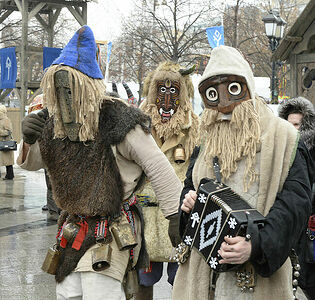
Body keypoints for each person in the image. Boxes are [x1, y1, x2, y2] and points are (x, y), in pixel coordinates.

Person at [17, 25, 182, 300]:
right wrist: (29, 139)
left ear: (87, 85)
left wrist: (176, 215)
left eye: (70, 86)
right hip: (72, 228)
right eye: (60, 88)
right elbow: (32, 164)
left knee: (100, 292)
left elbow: (159, 168)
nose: (65, 96)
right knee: (68, 294)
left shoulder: (119, 118)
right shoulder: (52, 122)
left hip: (113, 227)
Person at [172, 45, 313, 300]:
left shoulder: (284, 138)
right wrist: (189, 203)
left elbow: (296, 205)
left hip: (257, 283)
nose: (224, 104)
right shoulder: (206, 140)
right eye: (214, 93)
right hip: (203, 279)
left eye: (233, 88)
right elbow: (190, 186)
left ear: (246, 84)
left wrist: (255, 244)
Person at [135, 61, 199, 299]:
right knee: (140, 281)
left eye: (173, 90)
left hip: (179, 218)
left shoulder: (194, 127)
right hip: (144, 220)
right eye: (161, 89)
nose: (167, 97)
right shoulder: (137, 125)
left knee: (182, 280)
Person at [278, 96, 315, 300]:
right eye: (288, 124)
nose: (292, 129)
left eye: (297, 125)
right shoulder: (281, 152)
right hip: (290, 226)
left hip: (310, 228)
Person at [27, 94, 60, 220]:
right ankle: (53, 210)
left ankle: (55, 209)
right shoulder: (44, 117)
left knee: (52, 184)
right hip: (50, 156)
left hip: (54, 157)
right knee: (51, 184)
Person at [0, 104, 14, 180]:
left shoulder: (6, 120)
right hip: (2, 143)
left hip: (5, 143)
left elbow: (9, 131)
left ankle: (10, 175)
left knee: (7, 162)